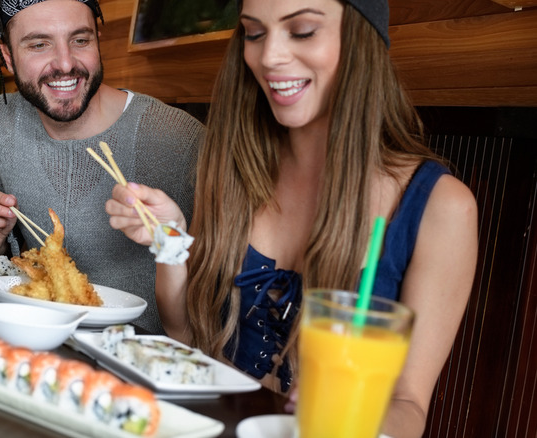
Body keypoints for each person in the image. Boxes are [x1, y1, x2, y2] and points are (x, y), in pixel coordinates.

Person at [105, 0, 478, 436]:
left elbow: (408, 406)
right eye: (255, 33)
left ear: (360, 39)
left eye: (302, 30)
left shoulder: (441, 207)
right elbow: (185, 335)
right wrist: (170, 238)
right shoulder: (235, 169)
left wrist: (351, 417)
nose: (270, 57)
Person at [0, 0, 205, 335]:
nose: (64, 63)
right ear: (7, 57)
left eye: (80, 40)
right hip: (27, 334)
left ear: (98, 40)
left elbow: (217, 298)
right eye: (39, 44)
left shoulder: (177, 139)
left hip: (137, 359)